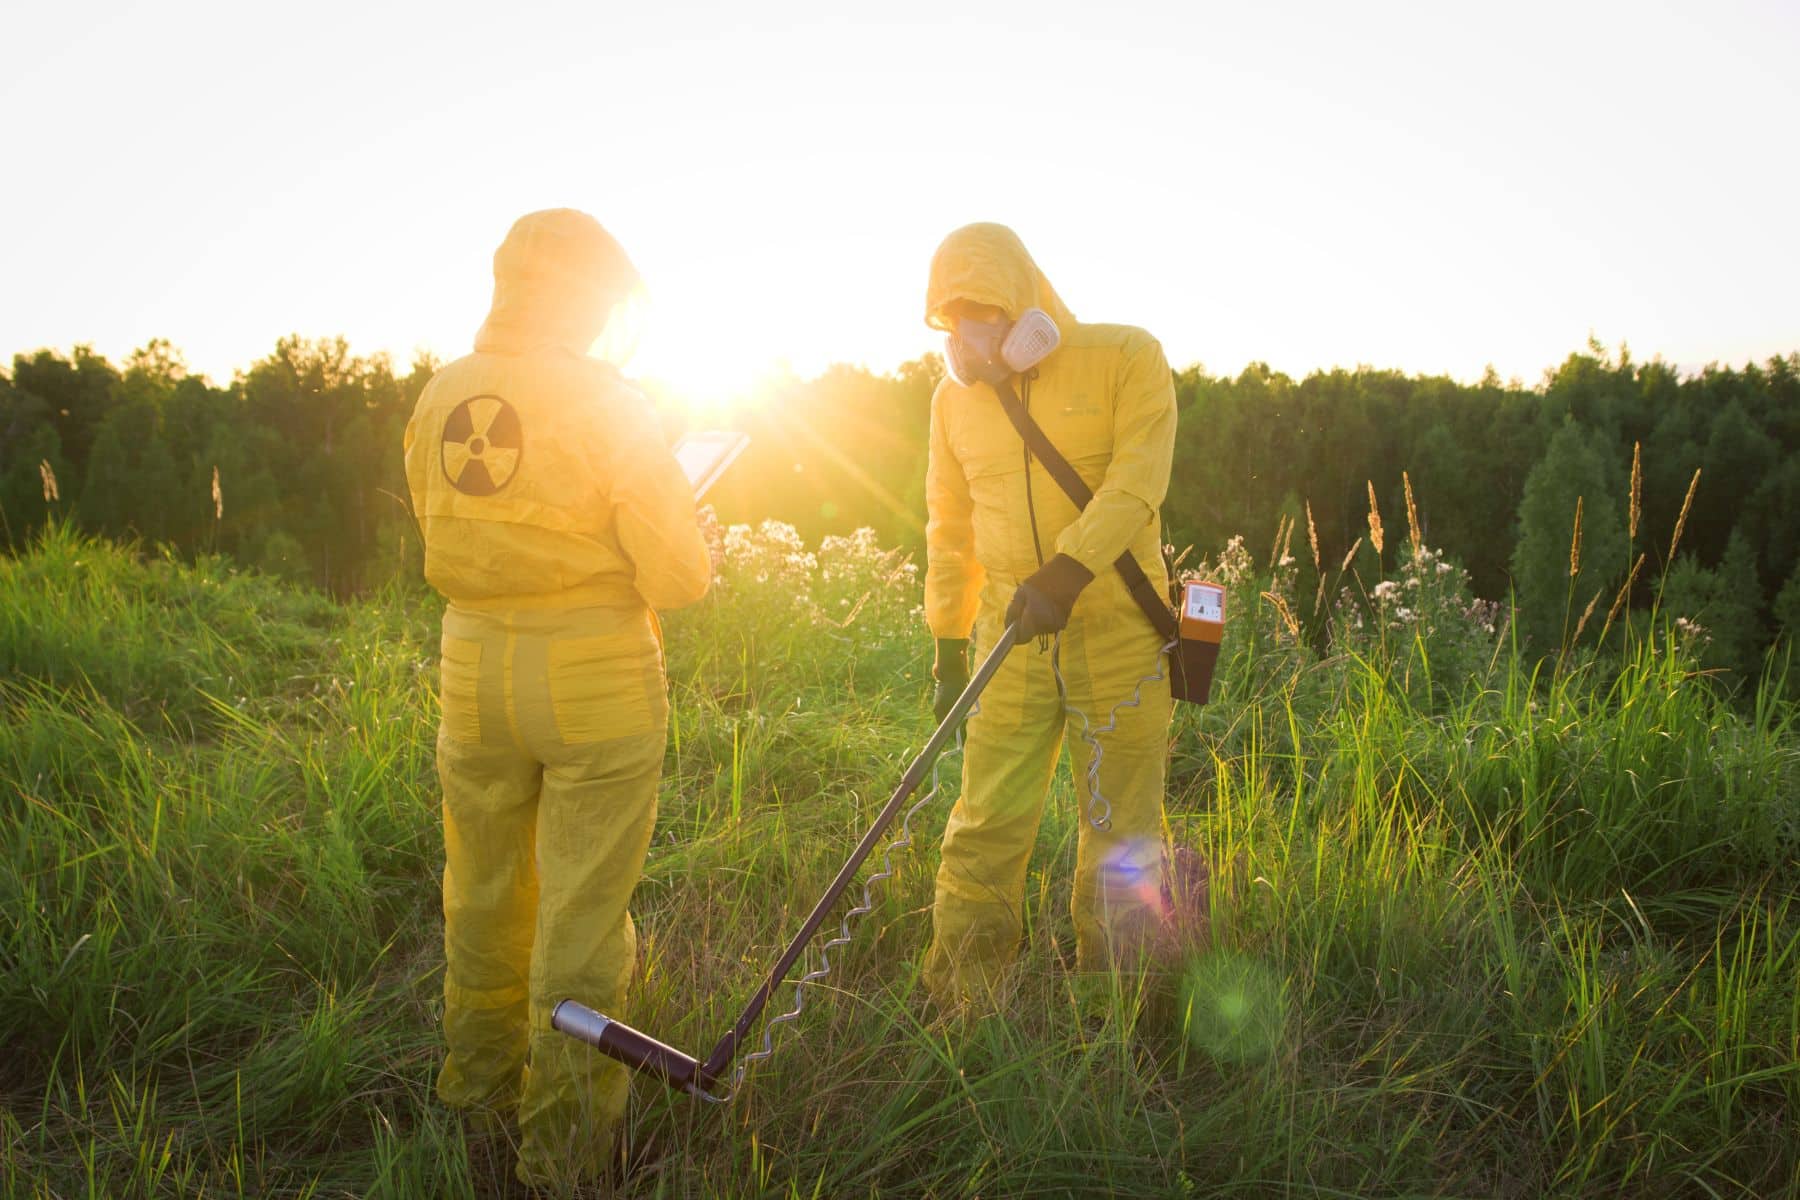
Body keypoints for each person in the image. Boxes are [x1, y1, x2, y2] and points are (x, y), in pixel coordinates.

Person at [403, 208, 710, 1186]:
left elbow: (441, 526)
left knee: (484, 892)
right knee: (580, 919)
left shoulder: (440, 393)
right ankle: (563, 1155)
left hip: (471, 669)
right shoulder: (607, 401)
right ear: (589, 296)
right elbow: (680, 579)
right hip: (592, 676)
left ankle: (473, 1091)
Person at [920, 222, 1179, 1010]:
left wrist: (1067, 570)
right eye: (953, 315)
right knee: (985, 823)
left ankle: (1118, 1013)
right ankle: (966, 1003)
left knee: (1120, 833)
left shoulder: (1126, 356)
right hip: (1012, 637)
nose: (972, 332)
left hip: (1118, 632)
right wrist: (947, 643)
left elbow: (1139, 480)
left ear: (1025, 304)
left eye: (986, 310)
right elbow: (947, 525)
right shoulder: (952, 402)